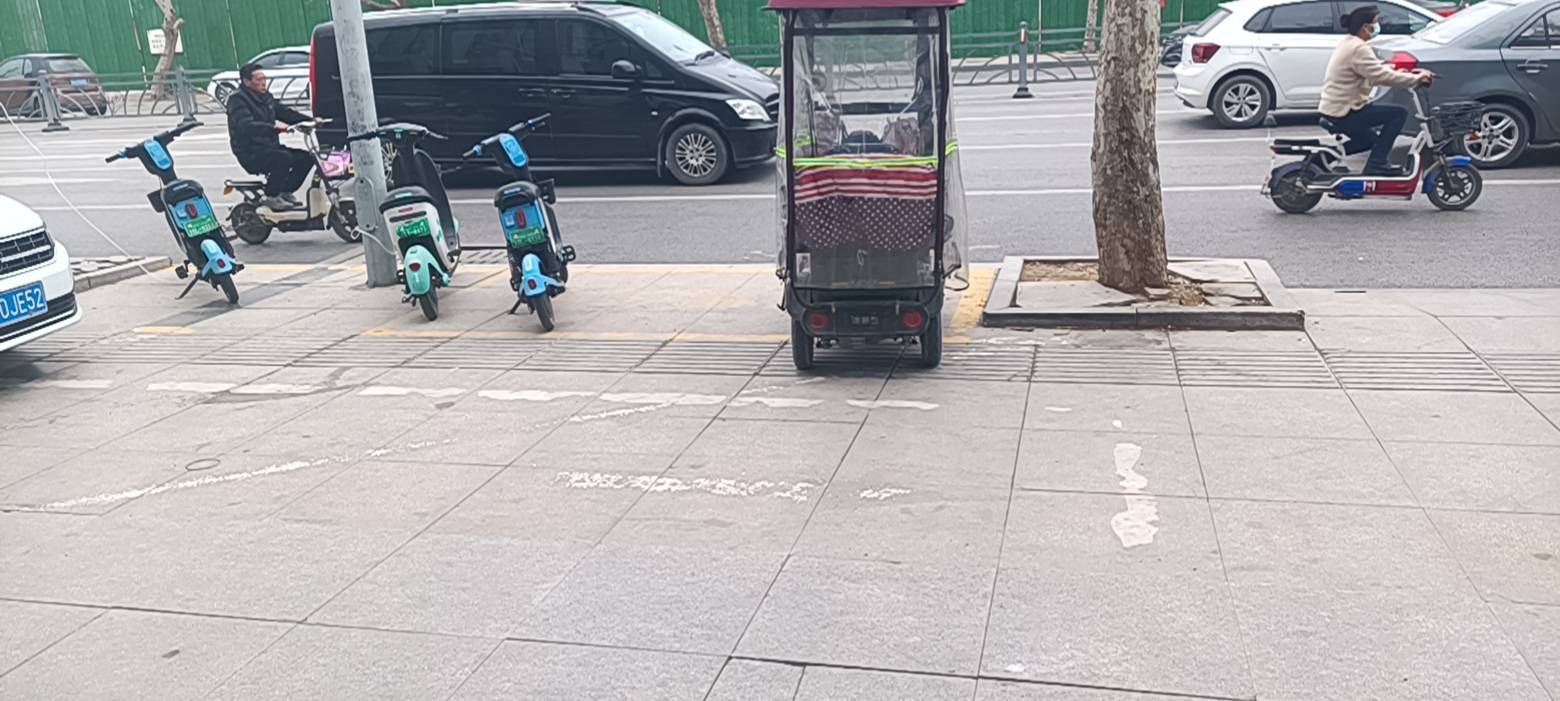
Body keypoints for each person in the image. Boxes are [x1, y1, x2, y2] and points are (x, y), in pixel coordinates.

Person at [1319, 5, 1434, 176]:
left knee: (1369, 139)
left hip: (1335, 108)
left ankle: (1320, 159)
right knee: (1398, 114)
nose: (1379, 25)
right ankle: (1377, 164)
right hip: (1345, 111)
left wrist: (1401, 72)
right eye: (1377, 22)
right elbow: (1380, 76)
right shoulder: (1359, 48)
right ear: (1366, 27)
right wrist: (1416, 79)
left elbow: (1371, 71)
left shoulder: (1350, 43)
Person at [225, 62, 315, 210]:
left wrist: (311, 121)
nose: (263, 83)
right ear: (247, 82)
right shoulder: (237, 100)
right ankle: (271, 196)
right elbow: (246, 126)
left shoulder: (266, 97)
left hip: (269, 147)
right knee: (283, 158)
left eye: (264, 79)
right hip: (250, 152)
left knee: (306, 158)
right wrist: (274, 128)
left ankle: (284, 191)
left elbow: (285, 113)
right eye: (259, 80)